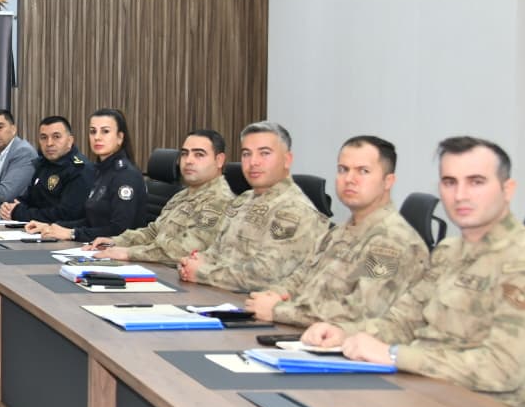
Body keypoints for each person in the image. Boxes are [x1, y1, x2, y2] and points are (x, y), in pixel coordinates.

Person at [305, 137, 525, 407]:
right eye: (450, 182)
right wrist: (343, 333)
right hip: (418, 393)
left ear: (507, 190)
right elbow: (403, 321)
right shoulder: (449, 253)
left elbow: (501, 369)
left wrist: (395, 355)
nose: (460, 195)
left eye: (476, 182)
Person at [245, 135, 428, 325]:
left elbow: (358, 314)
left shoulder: (391, 242)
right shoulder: (338, 232)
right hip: (304, 332)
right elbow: (301, 278)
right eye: (343, 170)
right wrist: (272, 295)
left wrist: (277, 311)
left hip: (341, 340)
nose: (349, 179)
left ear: (388, 181)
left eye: (363, 171)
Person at [176, 121, 329, 292]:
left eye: (264, 153)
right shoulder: (243, 199)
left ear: (287, 160)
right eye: (246, 154)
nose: (253, 162)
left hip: (256, 303)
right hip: (218, 294)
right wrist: (194, 261)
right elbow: (217, 250)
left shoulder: (295, 210)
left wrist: (202, 273)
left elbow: (265, 275)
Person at [88, 129, 235, 263]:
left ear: (219, 160)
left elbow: (184, 251)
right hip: (158, 268)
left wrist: (128, 253)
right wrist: (115, 242)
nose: (188, 160)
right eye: (185, 154)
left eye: (199, 155)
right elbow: (154, 232)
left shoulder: (220, 200)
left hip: (179, 277)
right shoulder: (183, 195)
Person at [26, 108, 147, 241]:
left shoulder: (125, 175)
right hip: (97, 246)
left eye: (105, 131)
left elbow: (120, 230)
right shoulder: (101, 170)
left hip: (121, 249)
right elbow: (92, 221)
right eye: (93, 131)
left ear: (120, 138)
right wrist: (52, 227)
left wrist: (73, 234)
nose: (97, 137)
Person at [0, 115, 94, 224]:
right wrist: (9, 208)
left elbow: (67, 214)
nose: (49, 143)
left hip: (65, 233)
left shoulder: (80, 169)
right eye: (44, 138)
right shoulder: (42, 164)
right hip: (37, 229)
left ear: (70, 141)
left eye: (56, 137)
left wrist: (19, 213)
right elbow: (28, 199)